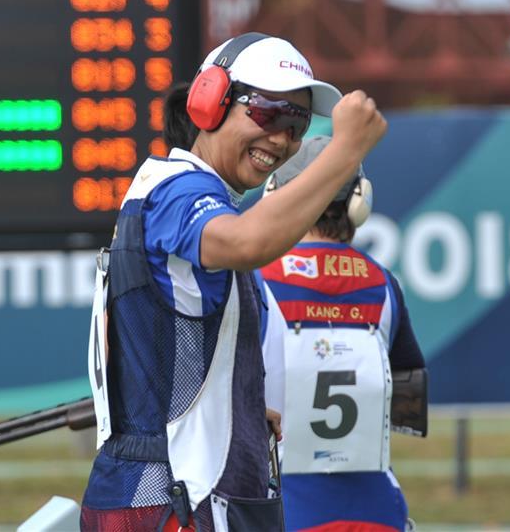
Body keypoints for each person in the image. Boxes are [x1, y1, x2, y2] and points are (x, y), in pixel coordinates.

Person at [80, 33, 387, 531]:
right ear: (210, 99)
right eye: (267, 113)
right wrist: (344, 152)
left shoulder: (179, 186)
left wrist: (233, 405)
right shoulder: (180, 189)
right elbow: (247, 243)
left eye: (297, 123)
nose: (282, 139)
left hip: (173, 490)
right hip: (178, 495)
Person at [258, 136, 427, 532]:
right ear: (359, 202)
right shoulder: (384, 284)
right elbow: (405, 396)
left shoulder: (255, 281)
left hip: (282, 511)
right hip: (377, 511)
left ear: (276, 195)